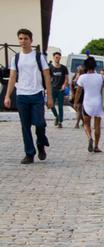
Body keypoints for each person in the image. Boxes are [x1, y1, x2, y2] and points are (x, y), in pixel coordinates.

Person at [3, 28, 53, 164]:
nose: (23, 41)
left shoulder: (39, 56)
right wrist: (7, 95)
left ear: (31, 40)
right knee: (25, 126)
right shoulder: (16, 58)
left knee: (40, 124)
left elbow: (47, 76)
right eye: (20, 38)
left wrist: (49, 96)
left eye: (25, 38)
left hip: (37, 94)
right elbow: (12, 77)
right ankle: (29, 154)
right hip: (22, 95)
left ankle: (41, 143)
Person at [74, 57, 104, 153]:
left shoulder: (82, 77)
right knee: (97, 126)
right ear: (95, 65)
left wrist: (75, 102)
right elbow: (103, 88)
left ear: (85, 66)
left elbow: (79, 91)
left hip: (87, 102)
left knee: (86, 124)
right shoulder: (101, 77)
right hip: (98, 102)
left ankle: (89, 138)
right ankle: (96, 146)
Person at [49, 51, 68, 129]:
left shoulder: (64, 68)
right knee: (51, 105)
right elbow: (48, 79)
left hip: (61, 89)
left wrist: (64, 85)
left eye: (59, 57)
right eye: (56, 57)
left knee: (60, 106)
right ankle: (56, 116)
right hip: (53, 89)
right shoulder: (50, 67)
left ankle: (60, 122)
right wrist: (47, 88)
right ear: (53, 58)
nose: (57, 58)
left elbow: (66, 78)